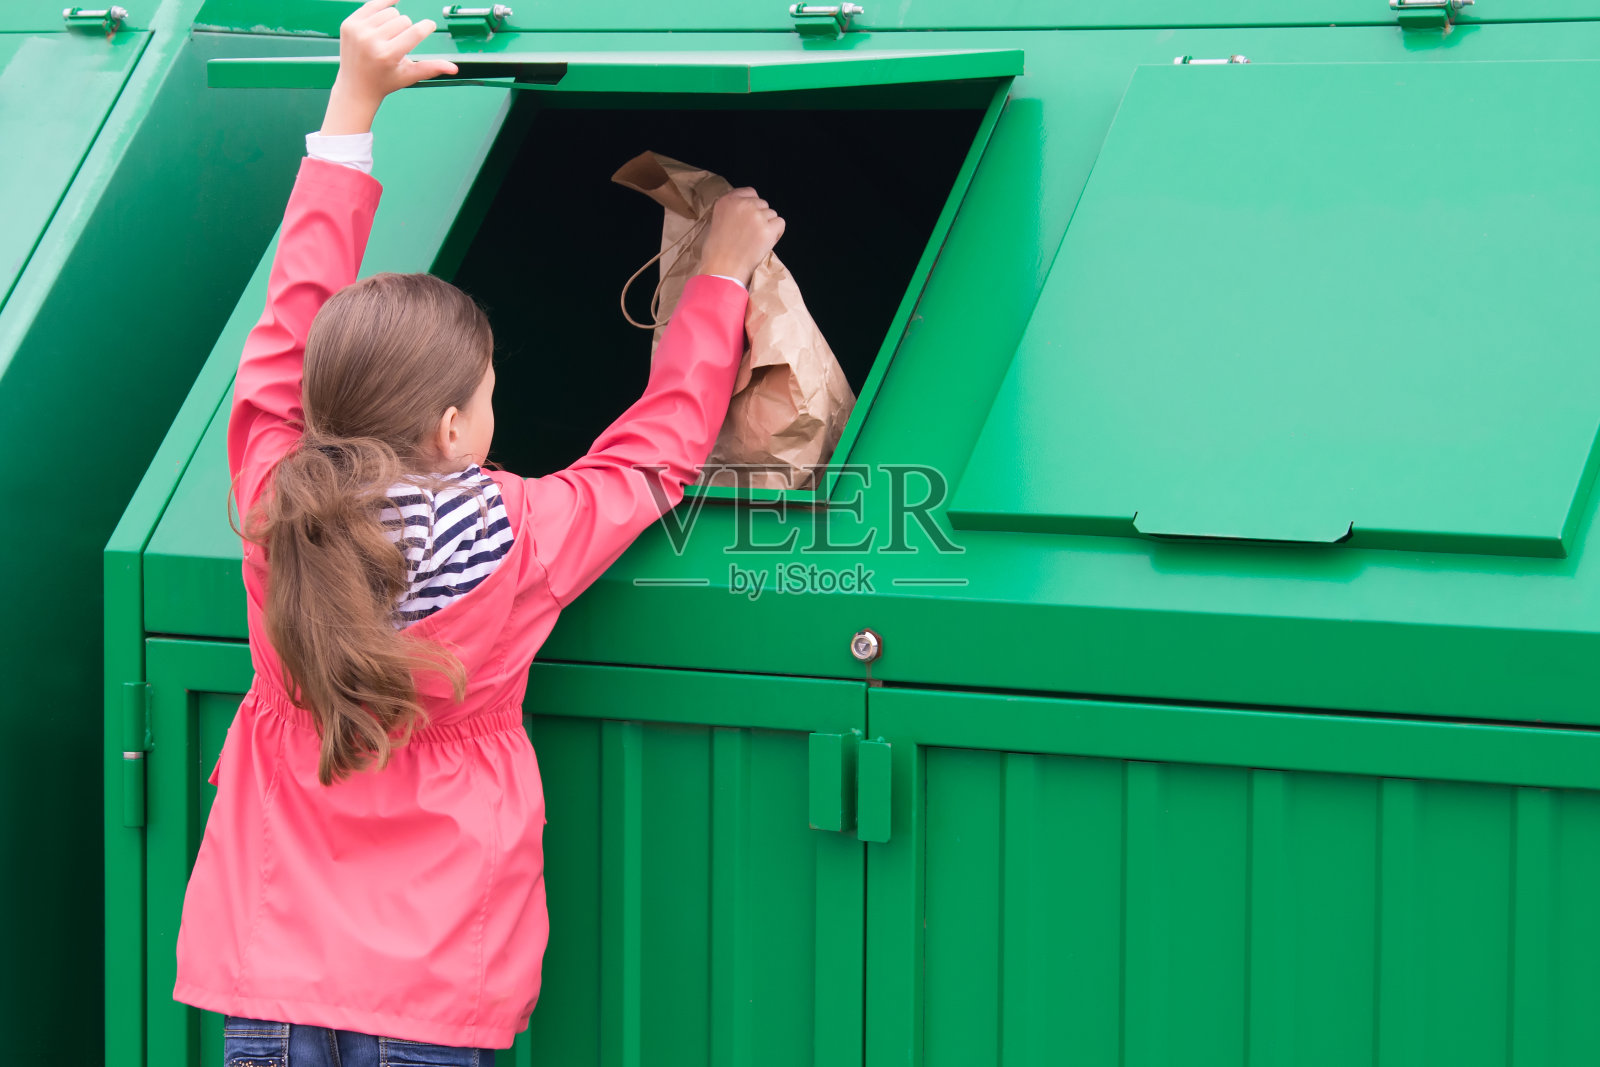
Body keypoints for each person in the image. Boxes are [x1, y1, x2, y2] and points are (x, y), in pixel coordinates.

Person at [170, 1, 784, 1063]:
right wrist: (722, 271)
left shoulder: (275, 502)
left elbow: (285, 326)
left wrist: (352, 105)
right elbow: (652, 455)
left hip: (269, 968)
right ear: (455, 424)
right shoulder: (524, 533)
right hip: (432, 980)